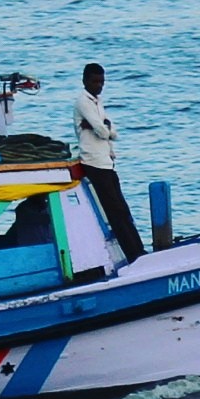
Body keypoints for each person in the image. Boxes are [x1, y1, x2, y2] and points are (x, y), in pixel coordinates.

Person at [74, 61, 146, 261]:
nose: (99, 85)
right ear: (85, 80)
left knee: (122, 209)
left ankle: (139, 250)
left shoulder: (98, 102)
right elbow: (102, 129)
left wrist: (104, 128)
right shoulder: (83, 101)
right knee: (114, 211)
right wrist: (102, 128)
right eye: (95, 81)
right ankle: (133, 254)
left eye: (101, 82)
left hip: (106, 160)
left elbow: (111, 132)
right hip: (93, 161)